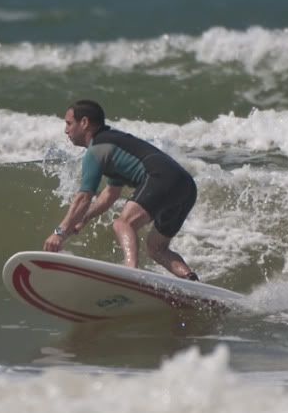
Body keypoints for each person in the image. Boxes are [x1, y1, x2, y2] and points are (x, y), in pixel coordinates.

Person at [42, 99, 199, 280]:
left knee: (122, 224)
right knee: (156, 248)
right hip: (185, 185)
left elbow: (84, 197)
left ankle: (131, 274)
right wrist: (83, 218)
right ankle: (191, 280)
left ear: (84, 123)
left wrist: (59, 233)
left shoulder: (96, 150)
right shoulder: (114, 145)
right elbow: (110, 194)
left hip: (160, 178)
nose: (66, 130)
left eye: (69, 123)